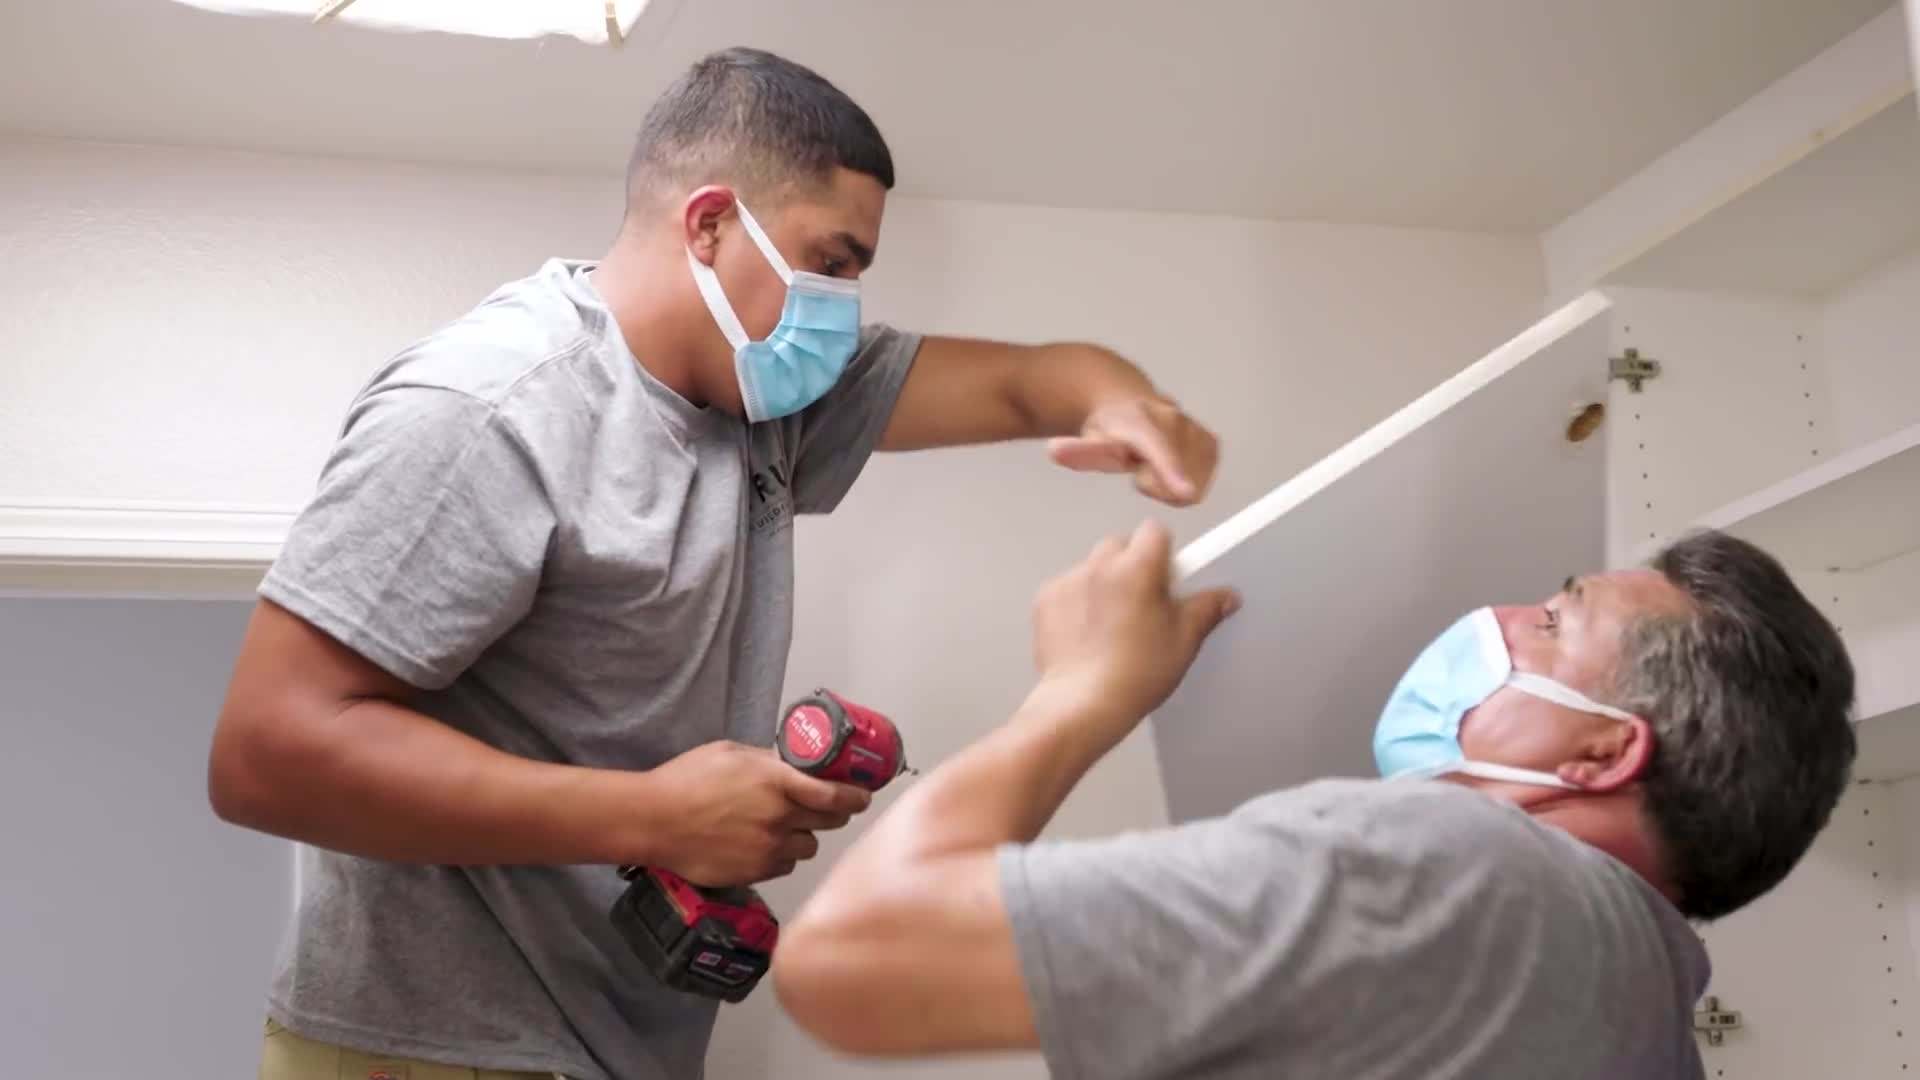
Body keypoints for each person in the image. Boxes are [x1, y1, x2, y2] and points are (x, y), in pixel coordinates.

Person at [206, 47, 1220, 1080]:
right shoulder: (491, 411)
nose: (842, 303)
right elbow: (265, 753)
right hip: (430, 1046)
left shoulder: (769, 399)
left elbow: (1028, 383)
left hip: (620, 1045)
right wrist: (658, 816)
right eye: (830, 262)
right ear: (710, 223)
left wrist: (1123, 400)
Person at [776, 524, 1856, 1079]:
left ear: (1598, 755)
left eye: (1554, 622)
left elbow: (852, 959)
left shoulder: (1469, 872)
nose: (1503, 613)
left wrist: (1078, 692)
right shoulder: (1646, 1008)